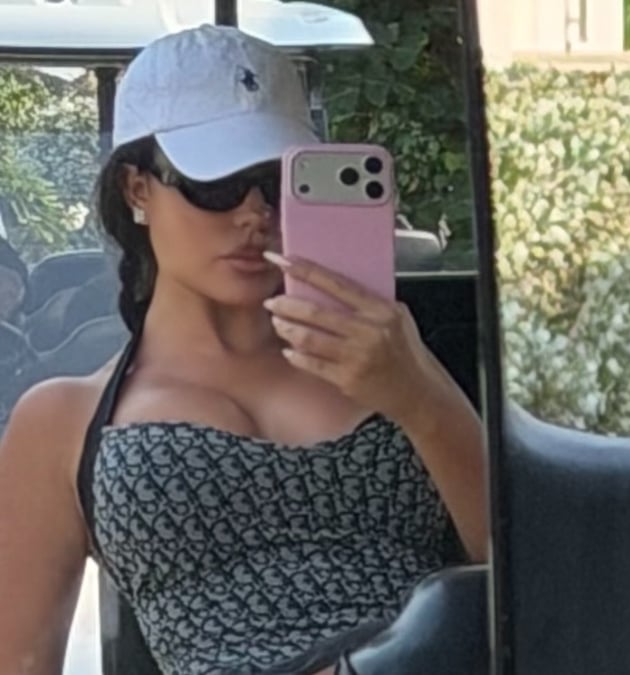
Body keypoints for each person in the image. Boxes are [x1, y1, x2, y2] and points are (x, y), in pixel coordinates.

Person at [0, 25, 487, 675]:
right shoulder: (65, 419)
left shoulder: (396, 361)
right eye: (216, 185)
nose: (255, 215)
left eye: (277, 183)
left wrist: (421, 398)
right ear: (137, 189)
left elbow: (530, 579)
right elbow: (21, 660)